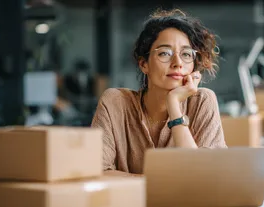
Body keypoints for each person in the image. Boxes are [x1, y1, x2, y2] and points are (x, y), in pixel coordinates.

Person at [91, 9, 227, 177]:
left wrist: (174, 104)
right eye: (164, 53)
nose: (177, 63)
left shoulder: (202, 101)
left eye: (186, 54)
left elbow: (203, 176)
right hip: (129, 203)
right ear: (143, 64)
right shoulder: (114, 102)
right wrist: (157, 184)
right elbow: (97, 172)